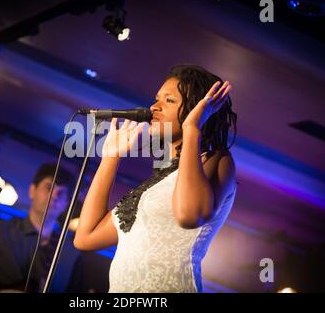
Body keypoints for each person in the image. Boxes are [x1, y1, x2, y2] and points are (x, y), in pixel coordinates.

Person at [73, 64, 238, 292]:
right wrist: (110, 158)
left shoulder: (216, 161)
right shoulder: (155, 184)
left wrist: (192, 128)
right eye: (156, 99)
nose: (154, 107)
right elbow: (86, 237)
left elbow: (190, 216)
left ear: (198, 109)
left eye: (169, 101)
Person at [0, 163, 75, 292]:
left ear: (66, 204)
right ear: (32, 190)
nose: (54, 196)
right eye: (49, 187)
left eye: (61, 192)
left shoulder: (71, 251)